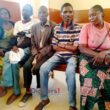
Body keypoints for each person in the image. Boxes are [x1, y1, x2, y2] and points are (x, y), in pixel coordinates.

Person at [34, 3, 81, 110]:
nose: (68, 14)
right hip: (58, 55)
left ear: (73, 13)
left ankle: (72, 105)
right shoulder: (56, 28)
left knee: (70, 72)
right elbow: (54, 47)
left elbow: (75, 49)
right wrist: (67, 47)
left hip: (72, 57)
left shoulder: (78, 28)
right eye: (65, 12)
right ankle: (45, 99)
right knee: (43, 69)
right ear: (61, 14)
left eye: (70, 12)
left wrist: (61, 45)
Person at [18, 5, 55, 107]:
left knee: (38, 68)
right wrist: (35, 53)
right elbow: (32, 43)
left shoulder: (53, 26)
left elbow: (52, 44)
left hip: (47, 53)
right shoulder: (34, 27)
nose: (42, 14)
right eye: (40, 13)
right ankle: (28, 91)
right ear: (37, 15)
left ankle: (41, 90)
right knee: (26, 66)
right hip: (35, 52)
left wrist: (41, 53)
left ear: (47, 14)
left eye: (44, 12)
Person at [0, 4, 36, 105]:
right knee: (12, 61)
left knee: (10, 57)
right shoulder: (17, 23)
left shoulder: (35, 23)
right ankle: (16, 92)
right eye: (23, 10)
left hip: (27, 48)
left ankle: (6, 84)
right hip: (17, 48)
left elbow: (33, 39)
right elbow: (14, 38)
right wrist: (13, 46)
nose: (25, 12)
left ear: (31, 13)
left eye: (27, 10)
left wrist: (19, 46)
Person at [79, 5, 110, 110]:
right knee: (90, 78)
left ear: (102, 14)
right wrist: (97, 55)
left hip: (107, 57)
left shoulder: (109, 27)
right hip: (88, 57)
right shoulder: (86, 27)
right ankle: (87, 106)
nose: (90, 18)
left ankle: (106, 105)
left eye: (93, 14)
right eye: (89, 16)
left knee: (108, 78)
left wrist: (105, 53)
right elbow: (82, 48)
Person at [0, 8, 14, 76]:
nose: (4, 15)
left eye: (6, 13)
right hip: (2, 49)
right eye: (2, 14)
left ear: (9, 14)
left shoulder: (14, 24)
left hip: (12, 48)